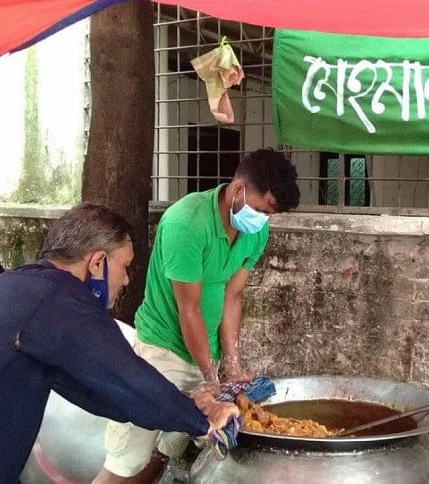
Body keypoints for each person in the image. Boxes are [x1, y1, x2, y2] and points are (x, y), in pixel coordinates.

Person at [0, 203, 237, 484]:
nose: (126, 280)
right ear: (98, 262)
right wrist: (203, 419)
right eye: (125, 267)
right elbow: (125, 377)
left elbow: (98, 391)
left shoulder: (20, 287)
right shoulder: (61, 301)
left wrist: (186, 406)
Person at [95, 148, 300, 483]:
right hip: (162, 353)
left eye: (270, 214)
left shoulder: (256, 231)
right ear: (238, 189)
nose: (263, 220)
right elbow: (188, 309)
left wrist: (231, 367)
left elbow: (232, 297)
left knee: (168, 447)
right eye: (262, 210)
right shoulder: (186, 223)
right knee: (127, 458)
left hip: (205, 356)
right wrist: (211, 380)